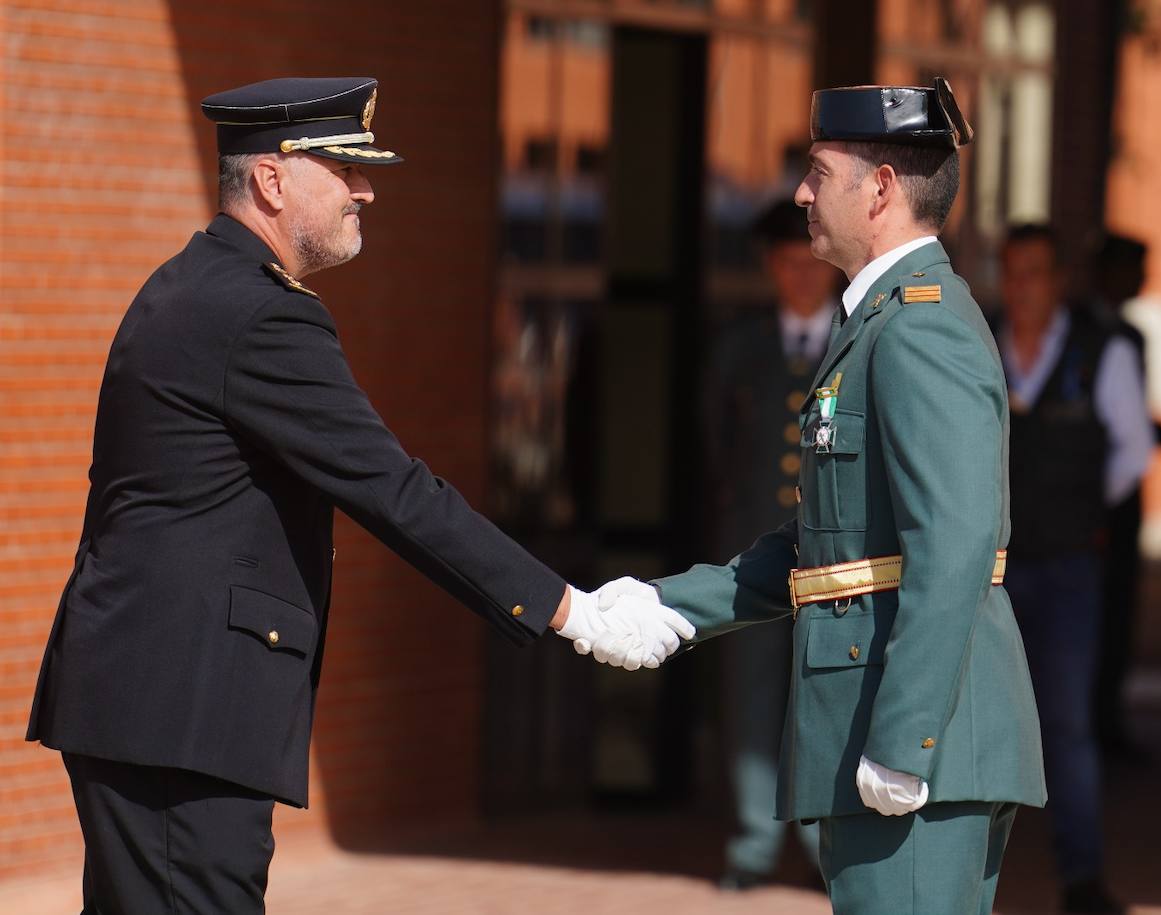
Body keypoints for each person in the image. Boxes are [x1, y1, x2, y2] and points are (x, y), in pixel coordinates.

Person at [25, 77, 687, 915]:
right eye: (344, 169)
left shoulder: (190, 284)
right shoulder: (261, 315)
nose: (366, 189)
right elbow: (396, 490)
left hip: (151, 701)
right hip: (182, 716)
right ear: (271, 180)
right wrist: (572, 612)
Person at [606, 81, 1047, 915]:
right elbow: (827, 543)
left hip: (918, 738)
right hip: (895, 726)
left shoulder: (919, 325)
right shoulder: (880, 320)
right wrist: (669, 608)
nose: (802, 193)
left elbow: (954, 544)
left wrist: (904, 739)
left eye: (817, 171)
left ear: (879, 186)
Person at [996, 224, 1154, 914]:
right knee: (977, 723)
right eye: (1012, 271)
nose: (1023, 284)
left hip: (1067, 567)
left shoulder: (1102, 354)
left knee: (1067, 724)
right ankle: (961, 877)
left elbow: (1135, 452)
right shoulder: (977, 345)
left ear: (1059, 280)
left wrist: (1082, 508)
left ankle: (1081, 878)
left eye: (1036, 270)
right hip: (988, 569)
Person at [705, 199, 836, 890]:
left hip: (837, 557)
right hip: (755, 549)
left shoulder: (859, 337)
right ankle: (755, 841)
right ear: (769, 269)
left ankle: (822, 845)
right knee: (751, 695)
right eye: (788, 264)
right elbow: (716, 450)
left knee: (824, 694)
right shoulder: (741, 345)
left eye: (811, 263)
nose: (802, 277)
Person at [1083, 233, 1154, 763]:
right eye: (1133, 269)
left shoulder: (1130, 334)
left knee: (1119, 612)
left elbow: (1135, 426)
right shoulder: (1081, 334)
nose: (1141, 281)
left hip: (1120, 500)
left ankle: (1107, 720)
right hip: (1081, 502)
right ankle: (1089, 723)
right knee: (1086, 617)